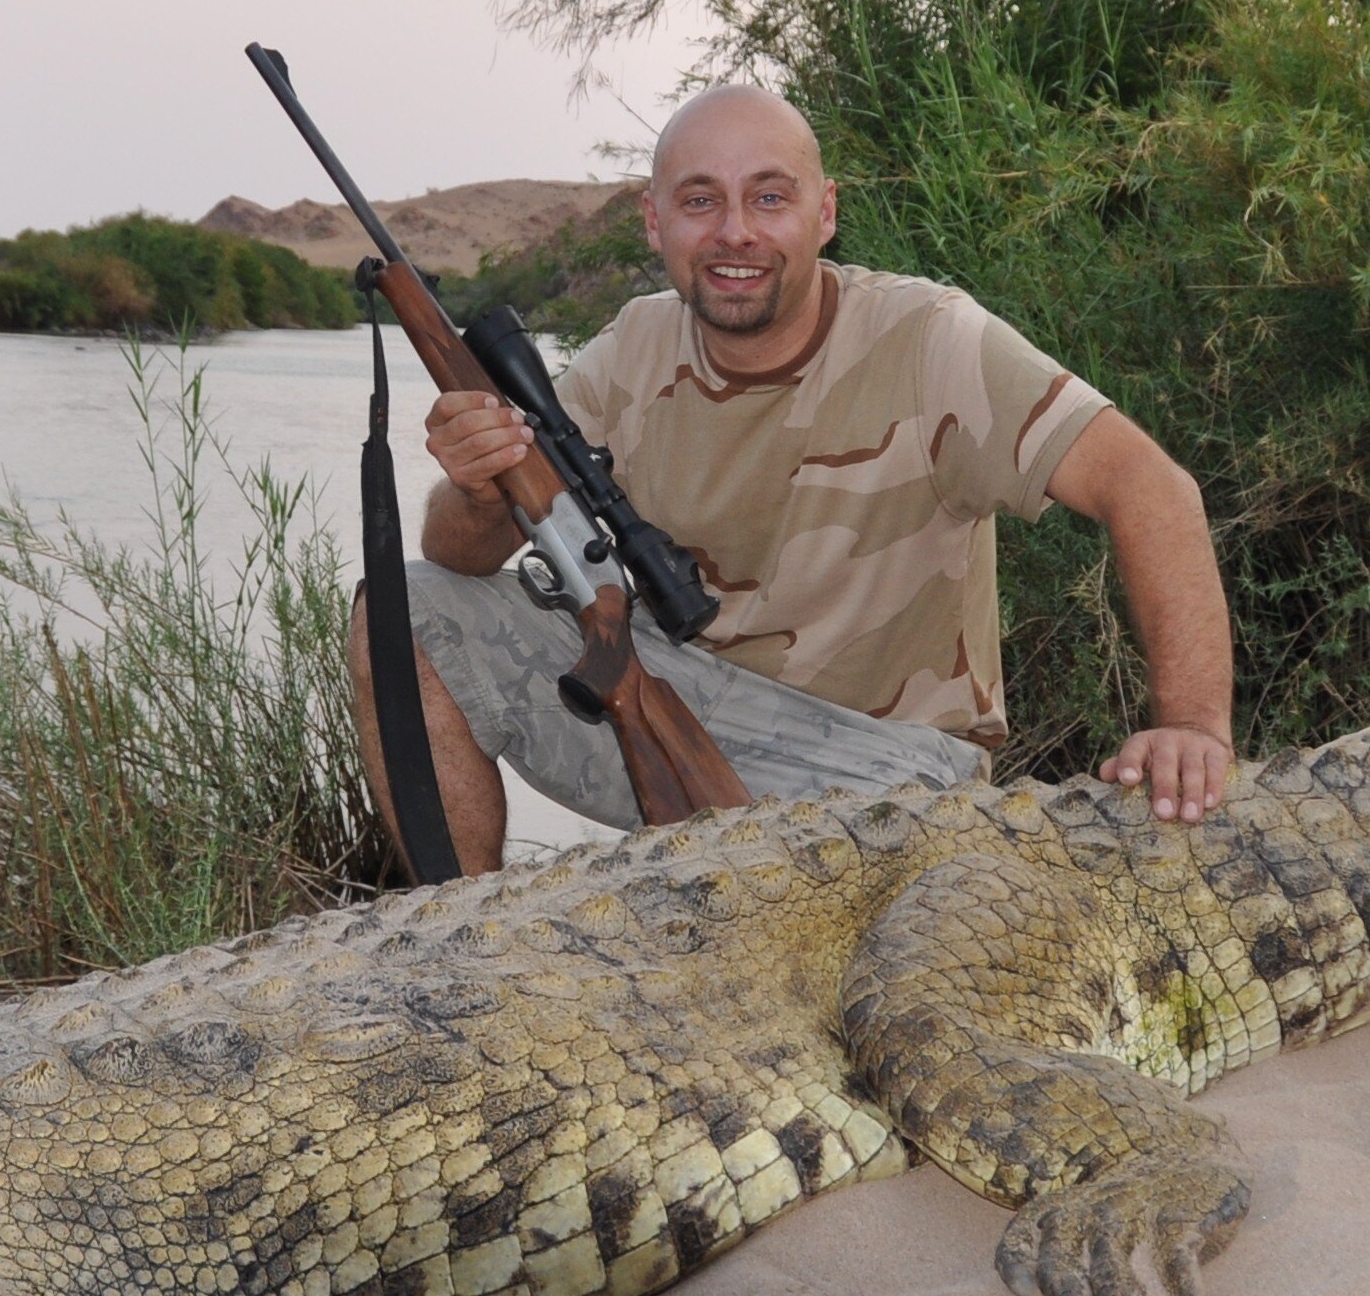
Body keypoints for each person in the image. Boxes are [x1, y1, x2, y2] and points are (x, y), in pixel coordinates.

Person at [355, 80, 1235, 873]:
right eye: (700, 201)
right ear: (655, 223)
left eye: (769, 197)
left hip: (889, 769)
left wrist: (1193, 727)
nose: (734, 231)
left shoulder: (932, 340)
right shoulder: (633, 347)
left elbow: (1151, 488)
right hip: (683, 716)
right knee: (405, 608)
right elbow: (458, 558)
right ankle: (463, 934)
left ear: (824, 213)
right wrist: (478, 487)